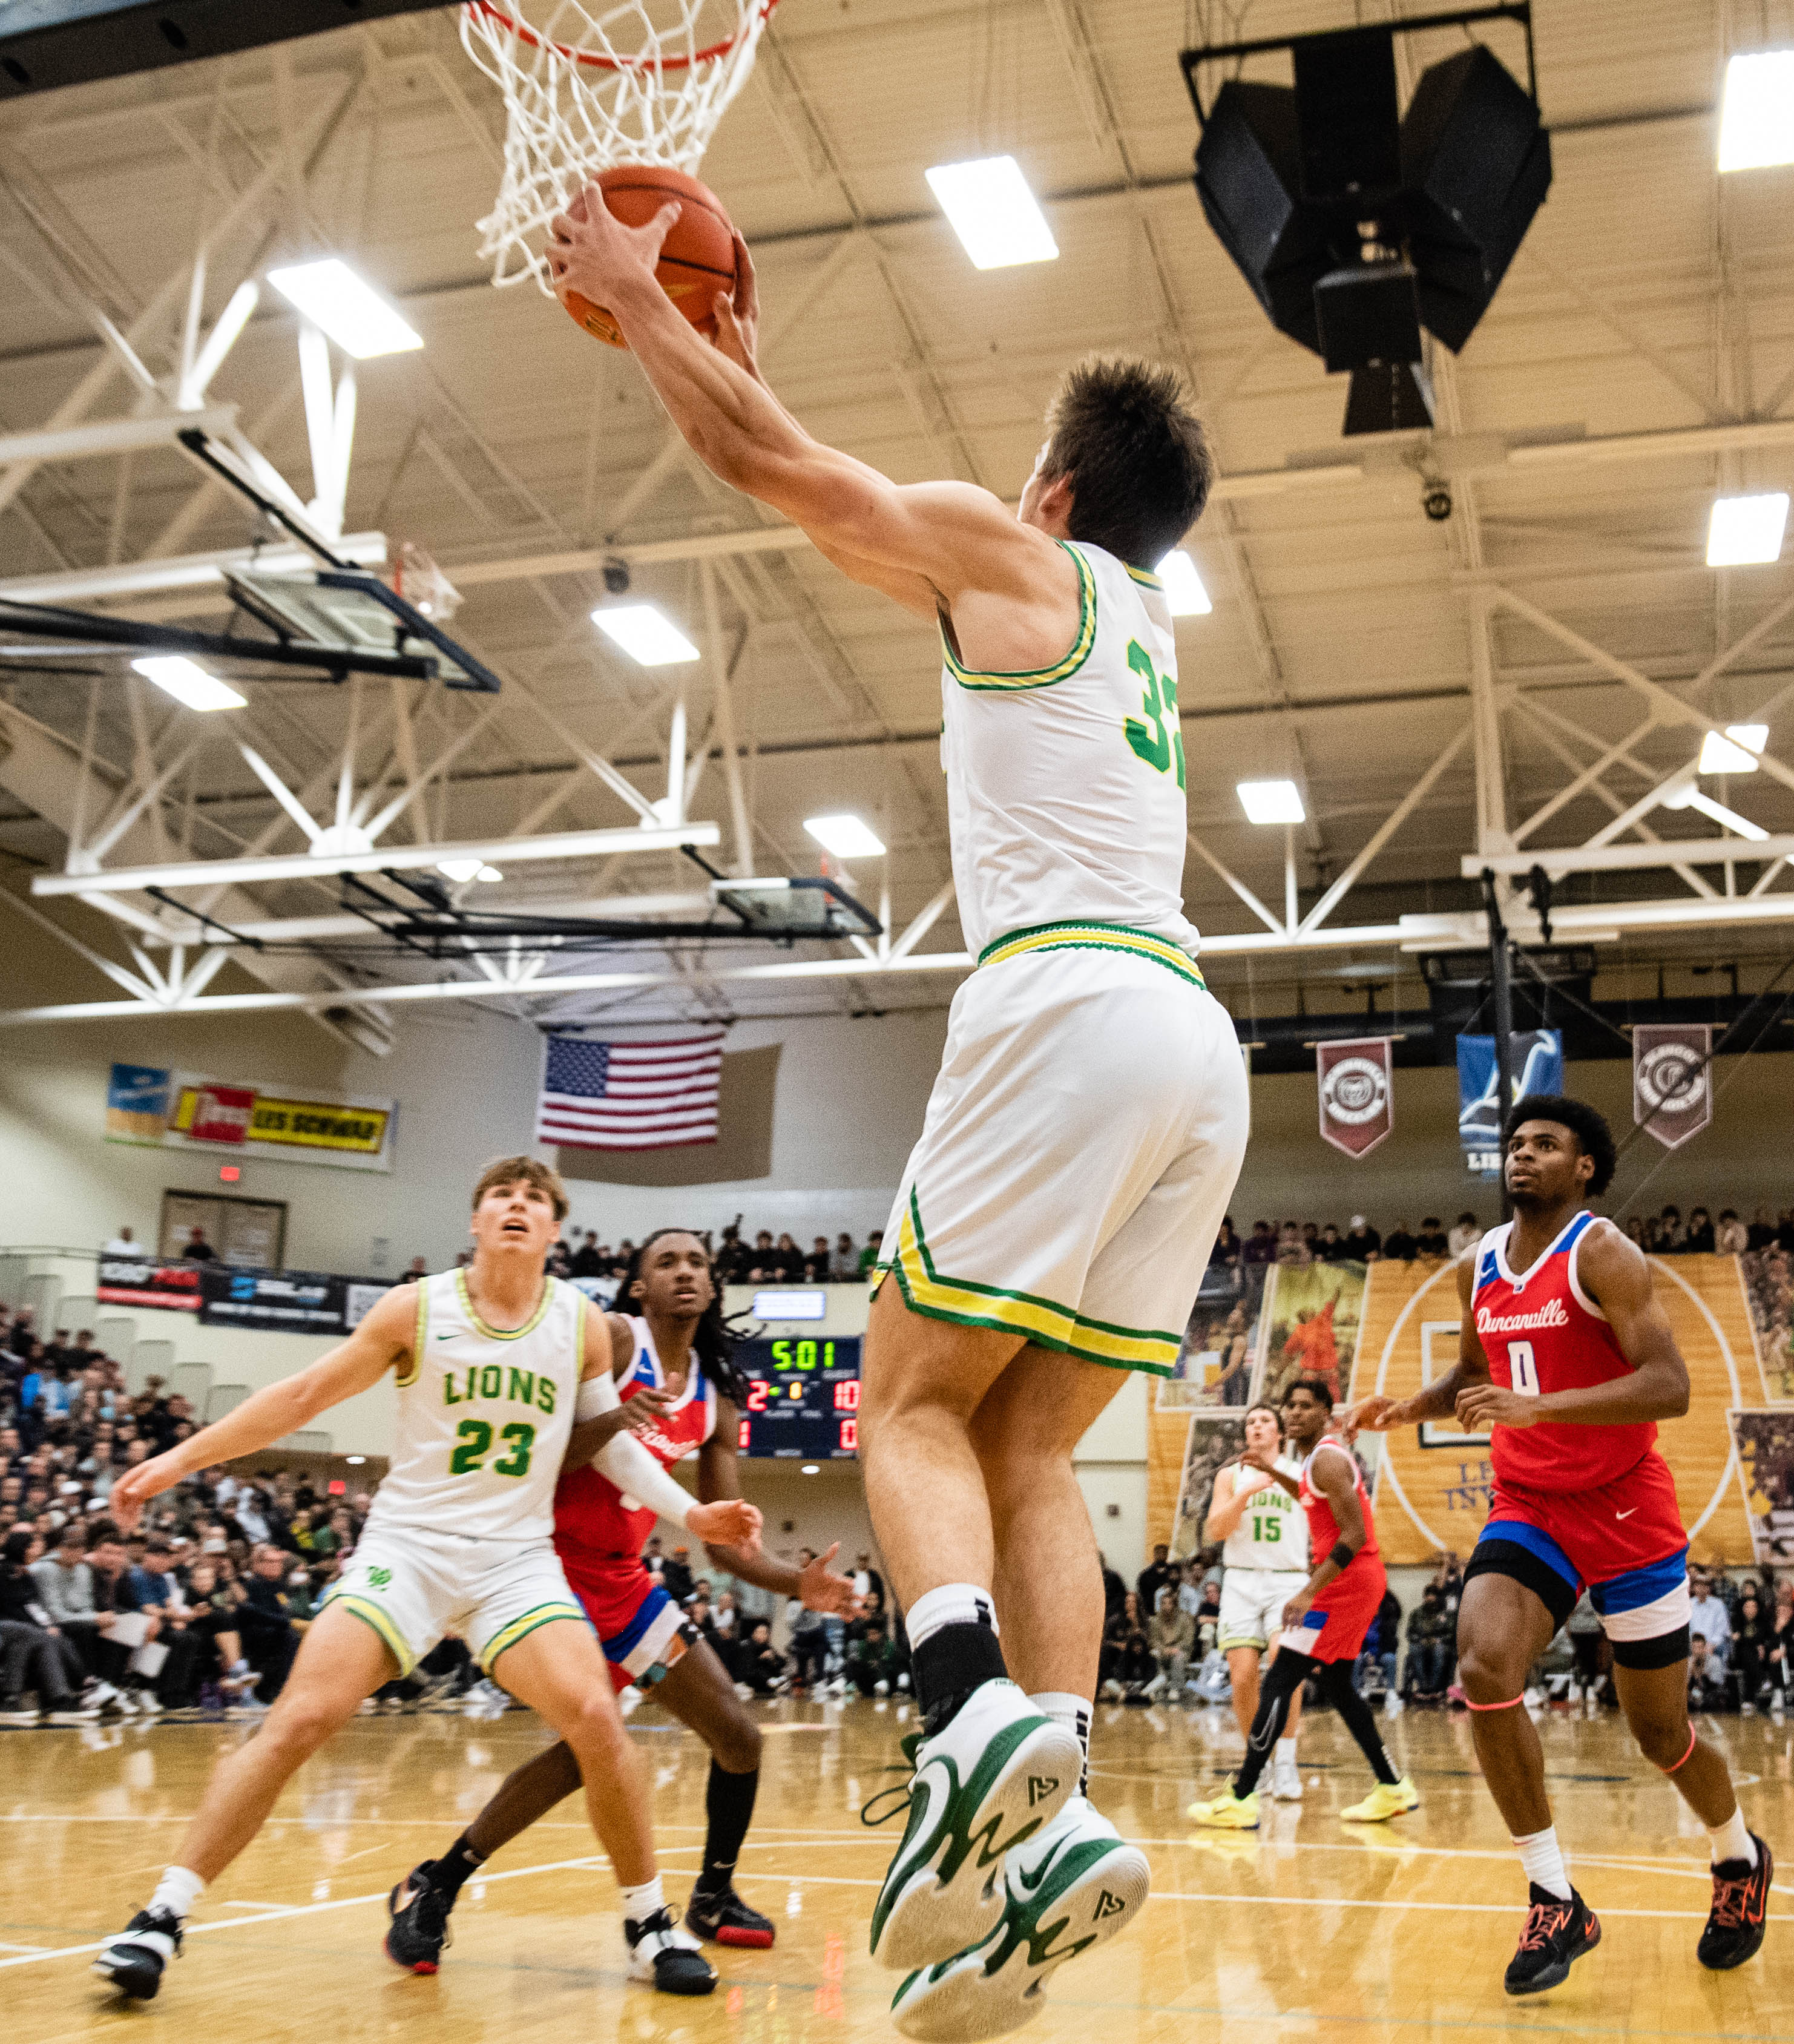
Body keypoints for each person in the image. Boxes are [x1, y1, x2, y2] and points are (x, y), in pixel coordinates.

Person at [549, 188, 1237, 2040]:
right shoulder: (1139, 630)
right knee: (1028, 1453)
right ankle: (1049, 1824)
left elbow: (766, 468)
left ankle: (961, 1725)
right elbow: (798, 478)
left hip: (1071, 999)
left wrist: (634, 302)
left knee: (905, 1406)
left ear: (1053, 493)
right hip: (1193, 1042)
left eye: (1022, 468)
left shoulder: (1019, 560)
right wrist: (724, 357)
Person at [91, 1159, 762, 2002]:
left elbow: (614, 1440)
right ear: (476, 1221)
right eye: (500, 1197)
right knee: (301, 1717)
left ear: (554, 1231)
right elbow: (301, 1394)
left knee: (596, 1715)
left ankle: (648, 1923)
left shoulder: (582, 1323)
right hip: (407, 1548)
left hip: (514, 1559)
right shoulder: (417, 1306)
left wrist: (685, 1511)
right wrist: (179, 1459)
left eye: (534, 1200)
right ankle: (160, 1916)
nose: (516, 1206)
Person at [1347, 1095, 1767, 1996]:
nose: (1522, 1154)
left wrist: (1541, 1406)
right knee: (1483, 1666)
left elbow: (1669, 1385)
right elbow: (1473, 1374)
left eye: (1545, 1143)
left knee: (1659, 1733)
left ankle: (1735, 1858)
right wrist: (1406, 1407)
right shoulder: (1479, 1267)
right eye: (1515, 1143)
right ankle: (1552, 1895)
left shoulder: (1603, 1253)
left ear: (1583, 1167)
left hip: (1626, 1514)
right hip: (1530, 1505)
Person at [395, 1226, 855, 1968]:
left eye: (697, 1262)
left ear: (711, 1287)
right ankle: (438, 1886)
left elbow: (721, 1540)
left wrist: (795, 1582)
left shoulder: (713, 1397)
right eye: (665, 1260)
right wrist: (619, 1416)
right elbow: (546, 1450)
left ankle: (711, 1894)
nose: (684, 1272)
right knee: (589, 1748)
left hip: (622, 1579)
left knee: (737, 1737)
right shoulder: (612, 1337)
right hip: (541, 1568)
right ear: (638, 1285)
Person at [1187, 1378, 1413, 1827]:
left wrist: (1309, 1590)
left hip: (1344, 1583)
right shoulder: (1313, 1463)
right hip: (1352, 1580)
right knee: (1336, 1682)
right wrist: (1273, 1473)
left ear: (1326, 1413)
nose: (1293, 1413)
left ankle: (1242, 1796)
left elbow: (1355, 1535)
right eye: (1289, 1405)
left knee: (1280, 1678)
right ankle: (1392, 1785)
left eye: (1305, 1407)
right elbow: (1310, 1496)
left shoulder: (1327, 1458)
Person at [1200, 1405, 1309, 1798]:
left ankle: (1286, 1763)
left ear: (1280, 1432)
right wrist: (1246, 1490)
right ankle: (1256, 1762)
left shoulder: (1300, 1473)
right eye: (1250, 1422)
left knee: (1284, 1665)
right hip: (1242, 1581)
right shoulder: (1230, 1476)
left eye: (1265, 1420)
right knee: (1244, 1676)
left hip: (1288, 1581)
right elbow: (1216, 1528)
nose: (1256, 1426)